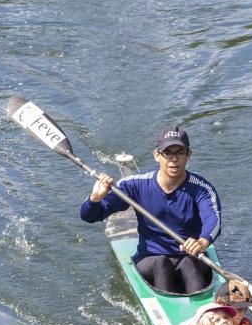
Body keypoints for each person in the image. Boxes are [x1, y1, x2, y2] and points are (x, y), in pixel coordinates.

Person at [80, 124, 221, 294]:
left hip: (192, 256)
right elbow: (89, 216)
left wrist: (202, 241)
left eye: (180, 152)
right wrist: (95, 199)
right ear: (157, 155)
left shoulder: (202, 189)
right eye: (167, 152)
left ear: (188, 155)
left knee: (190, 264)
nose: (174, 159)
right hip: (151, 259)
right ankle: (166, 309)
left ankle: (205, 313)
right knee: (161, 263)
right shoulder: (134, 185)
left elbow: (213, 220)